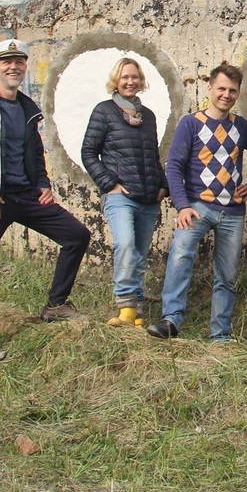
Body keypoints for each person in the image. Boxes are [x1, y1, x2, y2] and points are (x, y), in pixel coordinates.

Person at [0, 38, 92, 363]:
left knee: (76, 236)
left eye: (19, 61)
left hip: (25, 197)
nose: (13, 66)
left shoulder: (28, 110)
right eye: (6, 61)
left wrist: (42, 184)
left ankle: (56, 304)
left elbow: (35, 154)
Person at [147, 63, 247, 342]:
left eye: (232, 90)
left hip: (233, 212)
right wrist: (182, 205)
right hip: (197, 207)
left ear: (238, 93)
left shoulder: (241, 127)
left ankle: (220, 334)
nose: (226, 94)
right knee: (180, 256)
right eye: (221, 88)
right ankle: (170, 320)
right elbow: (173, 166)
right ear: (209, 88)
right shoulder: (191, 124)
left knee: (227, 274)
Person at [82, 57, 169, 327]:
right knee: (126, 245)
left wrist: (162, 185)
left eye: (134, 77)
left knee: (141, 254)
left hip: (148, 197)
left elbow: (152, 155)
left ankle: (136, 310)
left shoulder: (148, 116)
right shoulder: (104, 111)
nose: (130, 81)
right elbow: (88, 152)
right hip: (120, 196)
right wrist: (109, 183)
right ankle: (125, 305)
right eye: (125, 77)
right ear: (116, 82)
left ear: (140, 81)